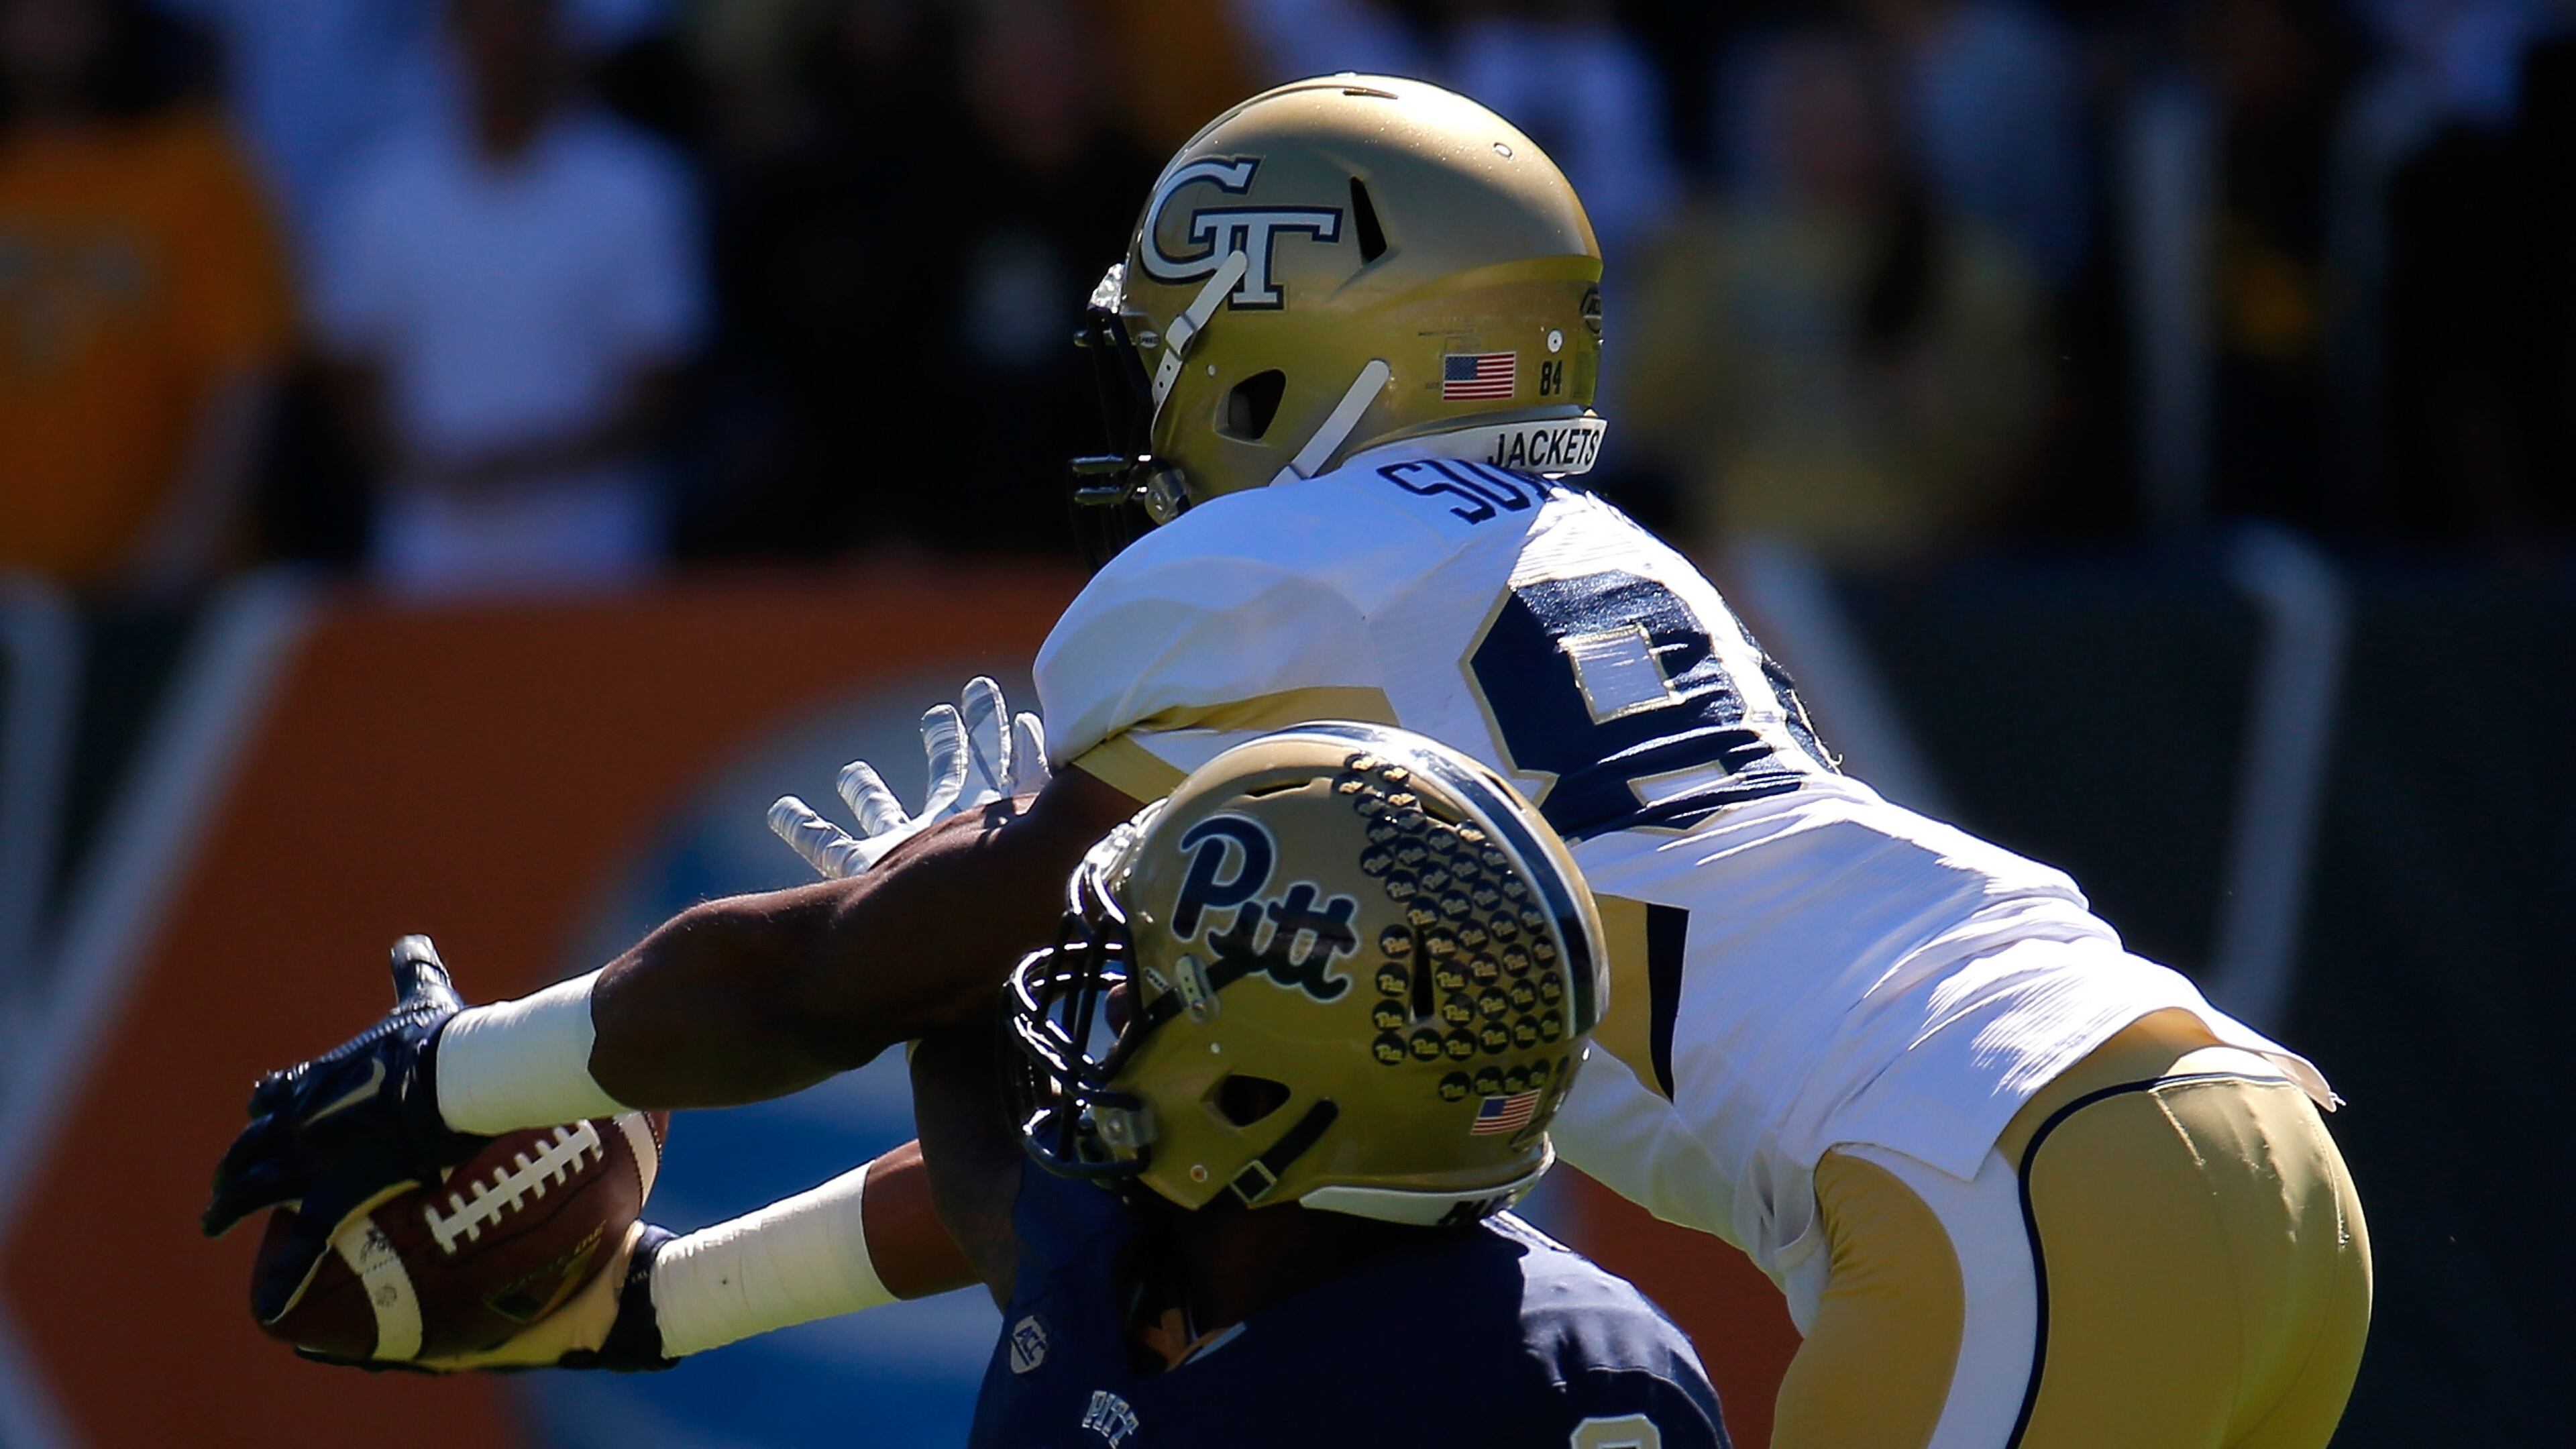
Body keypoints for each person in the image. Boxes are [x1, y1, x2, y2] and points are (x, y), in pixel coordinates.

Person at [207, 76, 2370, 1447]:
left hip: (1989, 1186)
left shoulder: (1263, 582)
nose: (1159, 395)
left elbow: (843, 980)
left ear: (1295, 336)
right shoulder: (1597, 566)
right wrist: (664, 1308)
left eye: (1185, 337)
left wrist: (461, 1077)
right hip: (2218, 1138)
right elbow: (1143, 1134)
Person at [268, 726, 1734, 1448]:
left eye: (1143, 983)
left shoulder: (1551, 1388)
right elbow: (993, 1179)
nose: (1081, 1006)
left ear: (1273, 1099)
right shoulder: (1177, 1247)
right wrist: (654, 1304)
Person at [310, 0, 703, 598]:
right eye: (486, 22)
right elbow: (351, 369)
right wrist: (428, 471)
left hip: (597, 563)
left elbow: (661, 377)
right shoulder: (379, 194)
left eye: (526, 21)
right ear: (450, 39)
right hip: (428, 568)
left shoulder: (638, 189)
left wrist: (529, 465)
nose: (505, 44)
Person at [0, 0, 291, 594]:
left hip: (161, 599)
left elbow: (241, 376)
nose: (47, 19)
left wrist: (177, 551)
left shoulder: (196, 169)